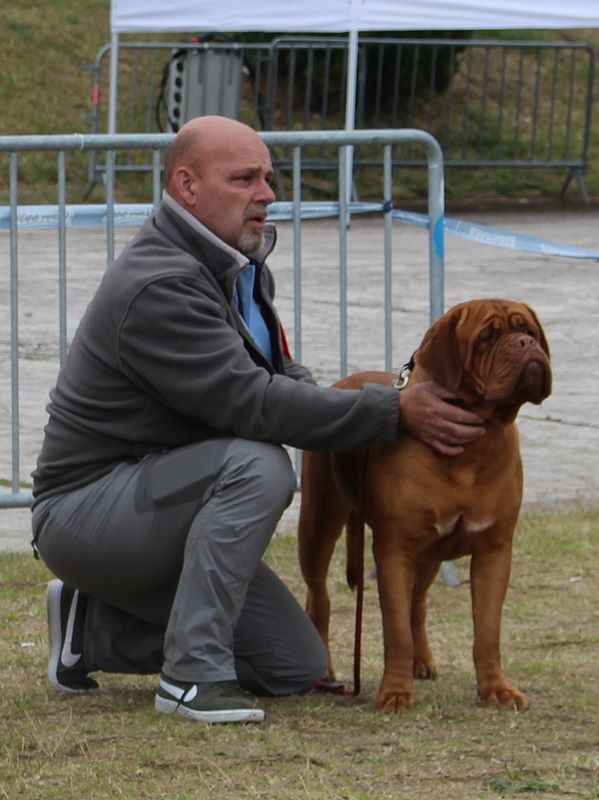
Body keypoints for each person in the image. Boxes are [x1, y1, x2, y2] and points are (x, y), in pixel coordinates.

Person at [31, 116, 485, 725]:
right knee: (258, 465)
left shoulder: (236, 262)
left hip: (158, 501)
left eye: (268, 177)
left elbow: (279, 374)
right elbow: (254, 404)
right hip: (85, 513)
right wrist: (390, 409)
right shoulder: (161, 284)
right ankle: (191, 679)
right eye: (244, 178)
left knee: (294, 664)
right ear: (186, 186)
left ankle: (90, 629)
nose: (267, 193)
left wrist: (353, 402)